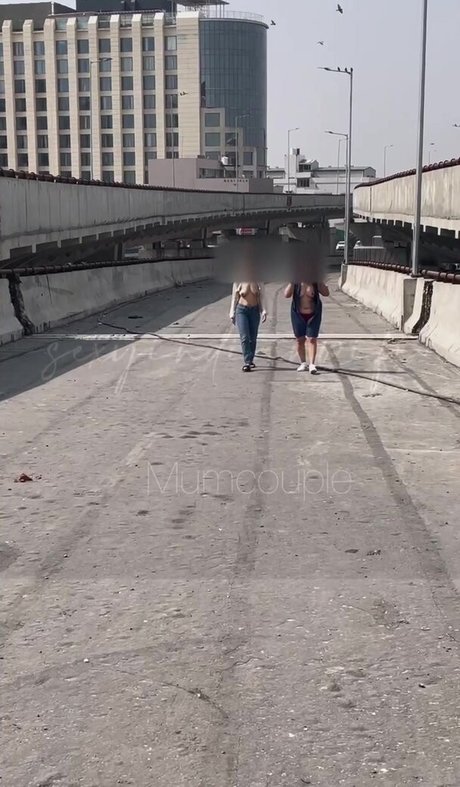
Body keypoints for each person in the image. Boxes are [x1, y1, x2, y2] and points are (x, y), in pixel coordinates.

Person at [284, 280, 329, 373]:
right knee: (300, 339)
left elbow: (326, 293)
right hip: (298, 314)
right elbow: (286, 295)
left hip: (313, 314)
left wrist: (320, 281)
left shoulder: (315, 282)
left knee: (312, 339)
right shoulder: (296, 283)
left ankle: (312, 364)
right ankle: (303, 363)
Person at [229, 281, 267, 372]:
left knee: (253, 338)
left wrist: (264, 310)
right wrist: (232, 312)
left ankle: (250, 360)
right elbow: (234, 297)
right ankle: (247, 362)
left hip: (254, 311)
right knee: (245, 337)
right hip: (241, 311)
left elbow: (262, 296)